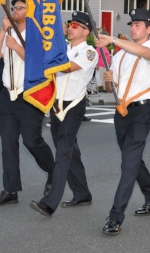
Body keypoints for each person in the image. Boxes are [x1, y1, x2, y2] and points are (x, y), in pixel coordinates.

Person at [94, 8, 150, 236]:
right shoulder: (119, 54)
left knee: (128, 165)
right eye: (132, 25)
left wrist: (114, 39)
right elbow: (110, 87)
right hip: (122, 112)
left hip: (141, 113)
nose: (133, 28)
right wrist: (108, 80)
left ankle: (115, 217)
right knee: (131, 159)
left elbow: (142, 52)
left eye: (138, 25)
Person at [0, 0, 55, 206]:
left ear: (30, 11)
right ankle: (10, 189)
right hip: (7, 94)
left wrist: (16, 47)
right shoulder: (9, 33)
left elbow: (39, 63)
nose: (15, 11)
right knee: (8, 143)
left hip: (29, 94)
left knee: (32, 140)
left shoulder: (38, 33)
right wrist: (3, 30)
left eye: (20, 7)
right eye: (14, 7)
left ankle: (54, 172)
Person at [30, 11, 98, 217]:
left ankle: (50, 203)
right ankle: (83, 193)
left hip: (73, 106)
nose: (70, 27)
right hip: (56, 104)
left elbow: (67, 68)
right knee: (70, 151)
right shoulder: (63, 49)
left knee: (63, 152)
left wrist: (47, 57)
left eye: (76, 25)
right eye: (70, 24)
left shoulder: (89, 52)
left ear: (86, 31)